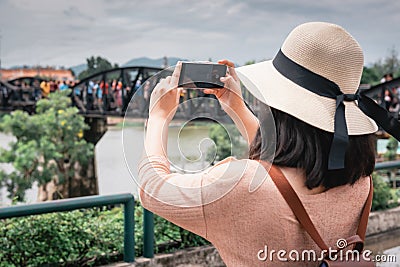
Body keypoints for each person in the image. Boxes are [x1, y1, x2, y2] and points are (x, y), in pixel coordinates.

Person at [137, 22, 400, 266]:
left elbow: (152, 188)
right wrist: (237, 108)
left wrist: (159, 116)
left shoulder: (237, 186)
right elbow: (283, 169)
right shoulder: (360, 182)